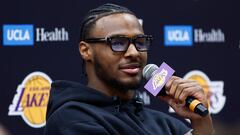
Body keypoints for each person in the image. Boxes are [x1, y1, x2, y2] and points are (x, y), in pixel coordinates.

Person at [44, 3, 214, 135]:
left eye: (140, 42)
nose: (133, 53)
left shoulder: (167, 125)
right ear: (86, 50)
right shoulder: (71, 120)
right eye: (117, 43)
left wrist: (201, 125)